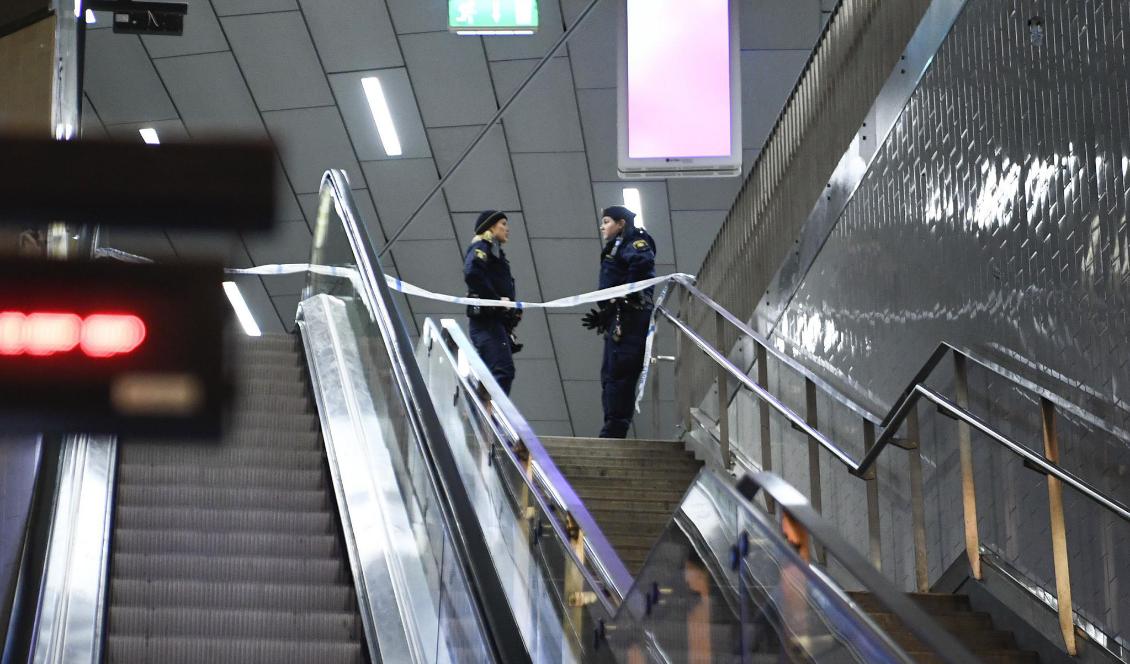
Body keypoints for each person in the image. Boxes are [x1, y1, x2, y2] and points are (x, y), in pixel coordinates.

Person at [581, 205, 656, 438]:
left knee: (621, 374)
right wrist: (606, 312)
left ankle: (614, 431)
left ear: (621, 223)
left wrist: (630, 291)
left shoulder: (634, 241)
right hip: (620, 315)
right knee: (610, 376)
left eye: (607, 221)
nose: (602, 226)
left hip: (631, 316)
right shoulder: (615, 247)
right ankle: (612, 427)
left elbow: (642, 262)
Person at [464, 209, 522, 394]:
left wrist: (510, 313)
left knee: (496, 371)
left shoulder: (496, 253)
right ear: (490, 226)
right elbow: (473, 273)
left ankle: (483, 411)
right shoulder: (482, 247)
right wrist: (496, 301)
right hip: (486, 322)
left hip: (494, 322)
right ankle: (488, 414)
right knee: (502, 371)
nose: (507, 229)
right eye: (503, 224)